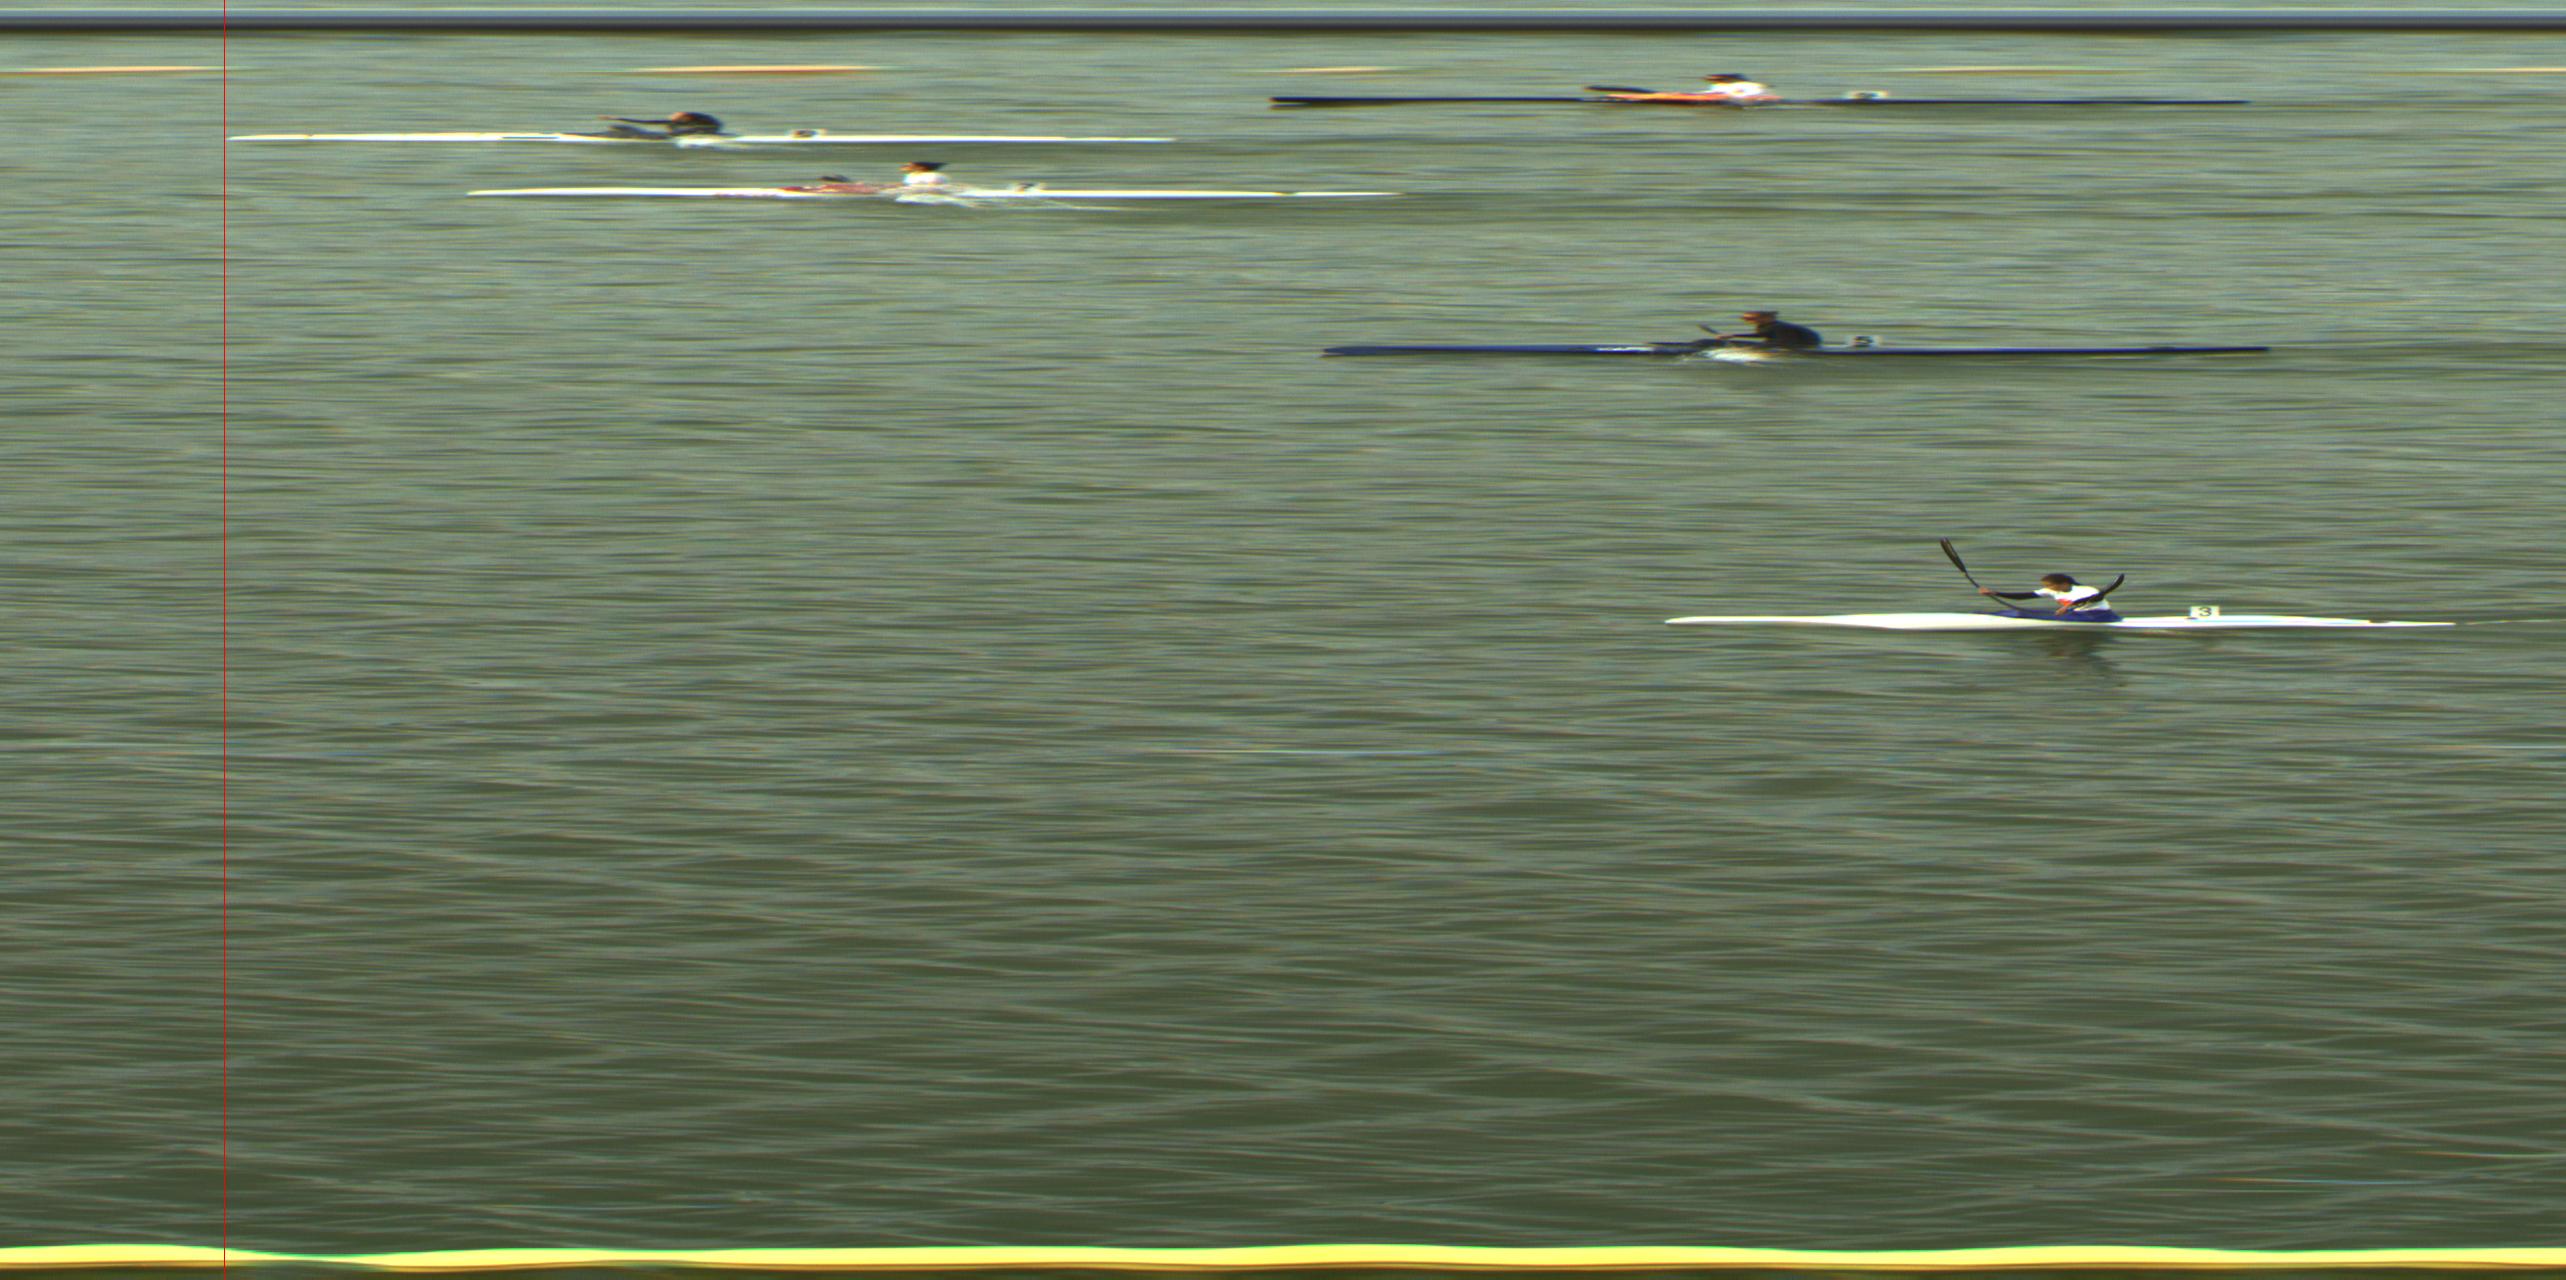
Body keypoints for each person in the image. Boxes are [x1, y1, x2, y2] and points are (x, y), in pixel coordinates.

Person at [1980, 574, 2121, 621]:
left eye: (2050, 585)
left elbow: (2092, 599)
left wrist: (2068, 606)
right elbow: (2024, 596)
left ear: (2064, 584)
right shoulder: (2052, 591)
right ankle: (1986, 616)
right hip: (2078, 614)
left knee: (2021, 614)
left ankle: (1997, 618)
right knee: (2022, 611)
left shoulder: (2085, 590)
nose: (2047, 588)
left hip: (2099, 616)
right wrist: (1995, 593)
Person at [1706, 310, 1823, 350]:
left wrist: (1732, 335)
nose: (1747, 321)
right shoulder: (1765, 326)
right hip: (1782, 344)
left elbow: (1759, 336)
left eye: (1751, 319)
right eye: (1745, 319)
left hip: (1800, 345)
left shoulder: (1777, 326)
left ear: (1767, 318)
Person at [591, 111, 725, 139]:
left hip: (707, 130)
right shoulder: (695, 118)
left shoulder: (684, 121)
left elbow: (647, 122)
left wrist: (617, 118)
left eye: (673, 116)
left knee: (670, 133)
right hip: (710, 129)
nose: (670, 118)